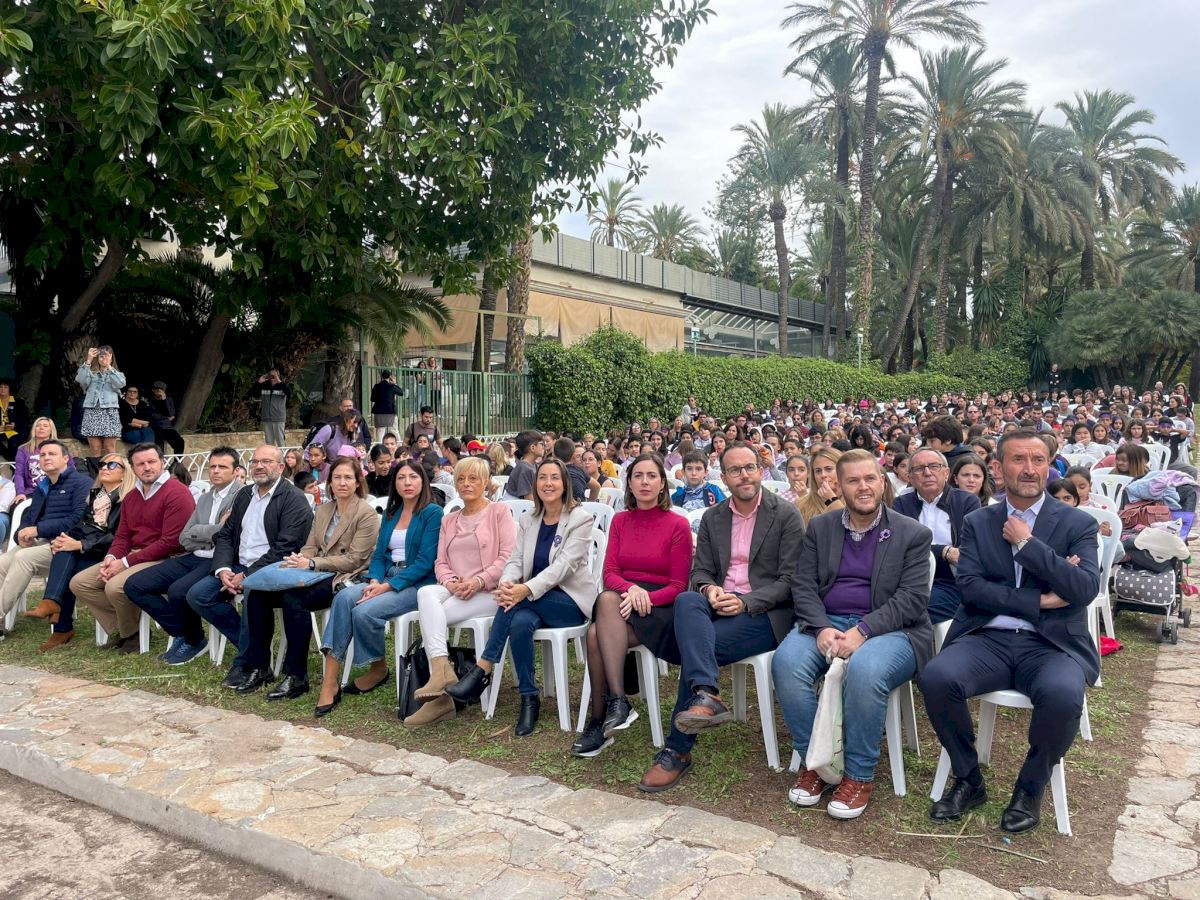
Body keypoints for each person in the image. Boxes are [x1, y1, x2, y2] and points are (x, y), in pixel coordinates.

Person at [920, 429, 1100, 834]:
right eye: (1019, 459)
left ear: (1049, 466)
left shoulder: (1078, 523)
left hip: (1052, 643)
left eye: (1038, 460)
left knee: (1062, 694)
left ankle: (1030, 788)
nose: (1030, 469)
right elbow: (971, 588)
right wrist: (1042, 599)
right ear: (998, 468)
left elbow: (1084, 589)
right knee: (937, 677)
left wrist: (1029, 544)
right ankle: (968, 778)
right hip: (988, 637)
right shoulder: (978, 522)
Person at [636, 443, 806, 792]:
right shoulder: (714, 518)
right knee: (688, 599)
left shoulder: (786, 515)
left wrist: (745, 603)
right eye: (735, 470)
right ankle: (706, 692)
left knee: (698, 649)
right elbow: (700, 571)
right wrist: (710, 589)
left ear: (761, 470)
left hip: (765, 613)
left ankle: (677, 751)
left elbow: (791, 581)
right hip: (717, 606)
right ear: (723, 477)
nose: (744, 475)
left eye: (749, 468)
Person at [773, 449, 933, 819]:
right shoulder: (821, 527)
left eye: (870, 478)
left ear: (883, 482)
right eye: (853, 480)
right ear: (839, 486)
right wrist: (820, 627)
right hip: (827, 620)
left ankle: (859, 775)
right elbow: (803, 584)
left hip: (891, 629)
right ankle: (819, 764)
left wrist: (863, 630)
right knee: (786, 663)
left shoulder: (912, 533)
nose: (863, 487)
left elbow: (912, 599)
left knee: (865, 671)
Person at [448, 458, 596, 736]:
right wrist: (507, 584)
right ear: (535, 484)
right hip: (531, 600)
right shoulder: (529, 519)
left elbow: (563, 567)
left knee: (516, 602)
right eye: (542, 478)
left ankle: (482, 669)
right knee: (518, 623)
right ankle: (529, 698)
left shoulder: (580, 519)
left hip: (569, 602)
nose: (548, 483)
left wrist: (523, 590)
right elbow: (515, 560)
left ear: (565, 484)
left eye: (554, 478)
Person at [572, 454, 692, 758]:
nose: (645, 482)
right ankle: (614, 705)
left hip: (660, 606)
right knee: (600, 618)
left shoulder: (678, 525)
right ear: (630, 482)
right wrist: (632, 590)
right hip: (624, 601)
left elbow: (679, 586)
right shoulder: (620, 521)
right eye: (638, 476)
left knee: (597, 630)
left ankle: (603, 717)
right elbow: (610, 573)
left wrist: (646, 598)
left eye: (652, 476)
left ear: (662, 484)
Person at [233, 456, 378, 701]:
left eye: (348, 478)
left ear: (357, 482)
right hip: (313, 572)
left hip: (344, 577)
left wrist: (312, 563)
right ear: (330, 482)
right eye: (337, 477)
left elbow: (354, 560)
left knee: (294, 599)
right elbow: (310, 546)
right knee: (257, 594)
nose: (342, 483)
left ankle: (296, 675)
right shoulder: (324, 510)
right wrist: (300, 559)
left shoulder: (366, 514)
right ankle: (259, 666)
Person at [317, 460, 443, 716]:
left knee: (365, 612)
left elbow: (425, 562)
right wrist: (375, 580)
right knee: (344, 598)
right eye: (401, 478)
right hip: (384, 576)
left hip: (416, 582)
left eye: (413, 477)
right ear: (394, 483)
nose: (407, 483)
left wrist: (387, 587)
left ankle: (378, 668)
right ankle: (330, 681)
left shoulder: (432, 513)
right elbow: (379, 555)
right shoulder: (391, 513)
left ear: (423, 481)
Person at [405, 457, 516, 727]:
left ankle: (441, 699)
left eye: (473, 479)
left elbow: (508, 558)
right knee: (426, 594)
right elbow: (440, 562)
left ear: (485, 482)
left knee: (433, 615)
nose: (466, 484)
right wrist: (450, 582)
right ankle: (441, 671)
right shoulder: (450, 520)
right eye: (461, 479)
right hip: (456, 588)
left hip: (489, 591)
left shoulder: (499, 512)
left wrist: (478, 581)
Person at [190, 446, 312, 690]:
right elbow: (226, 535)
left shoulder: (294, 498)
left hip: (274, 567)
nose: (259, 466)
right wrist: (223, 569)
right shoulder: (245, 494)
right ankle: (253, 647)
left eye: (266, 461)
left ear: (281, 467)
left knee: (253, 594)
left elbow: (285, 547)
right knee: (199, 595)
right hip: (239, 564)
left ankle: (249, 662)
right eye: (255, 462)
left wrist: (247, 575)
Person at [72, 443, 196, 652]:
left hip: (168, 558)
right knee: (80, 583)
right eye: (140, 464)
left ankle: (131, 636)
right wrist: (112, 557)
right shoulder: (132, 496)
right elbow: (123, 536)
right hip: (136, 556)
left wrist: (125, 562)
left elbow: (171, 542)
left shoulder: (177, 493)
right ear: (133, 467)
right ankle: (128, 630)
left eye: (151, 462)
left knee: (115, 586)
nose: (146, 467)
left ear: (162, 463)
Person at [123, 447, 241, 665]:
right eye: (212, 466)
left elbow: (231, 535)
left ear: (236, 471)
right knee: (135, 585)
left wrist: (204, 532)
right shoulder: (205, 498)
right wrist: (214, 530)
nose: (215, 471)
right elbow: (184, 537)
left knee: (178, 591)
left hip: (221, 559)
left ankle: (193, 640)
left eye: (222, 467)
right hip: (194, 555)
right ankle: (185, 633)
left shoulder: (242, 497)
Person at [26, 452, 135, 650]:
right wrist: (63, 539)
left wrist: (81, 545)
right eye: (102, 464)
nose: (104, 468)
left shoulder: (128, 499)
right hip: (90, 548)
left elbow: (117, 536)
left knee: (70, 567)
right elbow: (80, 526)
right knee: (63, 551)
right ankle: (54, 608)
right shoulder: (96, 496)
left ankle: (60, 621)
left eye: (112, 465)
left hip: (110, 552)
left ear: (124, 473)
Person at [0, 440, 91, 635]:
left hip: (66, 546)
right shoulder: (42, 486)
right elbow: (29, 519)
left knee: (22, 558)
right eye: (42, 455)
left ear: (65, 458)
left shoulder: (81, 482)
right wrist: (20, 535)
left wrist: (38, 530)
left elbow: (77, 519)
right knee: (2, 563)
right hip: (41, 542)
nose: (46, 458)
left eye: (52, 454)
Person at [892, 447, 981, 623]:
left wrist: (929, 552)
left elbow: (967, 553)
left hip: (951, 583)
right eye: (919, 468)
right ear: (910, 477)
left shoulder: (966, 502)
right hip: (908, 581)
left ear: (946, 473)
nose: (927, 473)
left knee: (908, 608)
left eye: (934, 466)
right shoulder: (901, 504)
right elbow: (899, 549)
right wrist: (944, 552)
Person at [76, 346, 126, 456]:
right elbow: (81, 380)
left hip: (109, 412)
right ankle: (96, 468)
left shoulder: (116, 374)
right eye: (101, 356)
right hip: (92, 412)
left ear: (111, 358)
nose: (103, 358)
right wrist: (89, 360)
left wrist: (109, 367)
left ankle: (111, 467)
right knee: (95, 448)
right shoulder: (91, 374)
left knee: (110, 447)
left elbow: (121, 383)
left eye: (106, 356)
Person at [12, 417, 60, 502]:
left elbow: (70, 470)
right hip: (32, 492)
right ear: (34, 430)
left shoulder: (60, 448)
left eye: (45, 426)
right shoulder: (23, 450)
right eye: (38, 426)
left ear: (51, 430)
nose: (41, 428)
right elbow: (19, 474)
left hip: (57, 491)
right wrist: (20, 492)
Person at [798, 447, 843, 525]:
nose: (823, 475)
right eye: (818, 471)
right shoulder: (802, 505)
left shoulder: (855, 501)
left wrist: (832, 501)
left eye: (828, 469)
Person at [251, 368, 292, 446]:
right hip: (266, 418)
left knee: (280, 441)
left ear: (278, 376)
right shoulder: (264, 386)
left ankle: (282, 454)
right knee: (269, 442)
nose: (272, 377)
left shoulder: (282, 386)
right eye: (271, 375)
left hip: (278, 418)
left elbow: (289, 394)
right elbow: (252, 393)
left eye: (274, 375)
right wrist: (259, 382)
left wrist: (279, 381)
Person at [504, 429, 544, 500]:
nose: (544, 446)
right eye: (541, 444)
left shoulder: (532, 464)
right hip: (517, 505)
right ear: (532, 448)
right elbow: (528, 499)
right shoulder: (524, 468)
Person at [147, 381, 185, 454]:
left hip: (166, 427)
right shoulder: (149, 400)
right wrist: (165, 417)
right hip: (155, 427)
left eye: (162, 390)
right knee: (159, 444)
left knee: (180, 442)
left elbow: (171, 414)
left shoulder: (169, 400)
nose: (159, 392)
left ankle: (177, 461)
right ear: (153, 390)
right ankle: (160, 460)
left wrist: (164, 400)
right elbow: (151, 415)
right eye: (157, 390)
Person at [0, 378, 30, 460]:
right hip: (1, 430)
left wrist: (15, 424)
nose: (2, 389)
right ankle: (10, 459)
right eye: (1, 387)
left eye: (5, 387)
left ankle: (12, 463)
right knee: (11, 455)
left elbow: (26, 420)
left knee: (14, 441)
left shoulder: (19, 402)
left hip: (16, 430)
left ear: (10, 388)